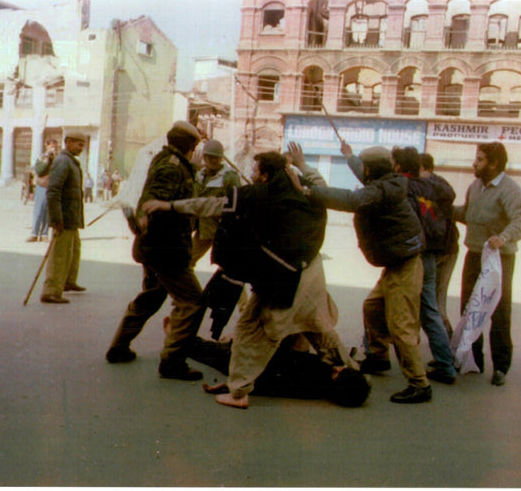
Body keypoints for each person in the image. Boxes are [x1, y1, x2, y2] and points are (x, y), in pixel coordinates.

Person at [143, 149, 359, 408]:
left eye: (256, 171)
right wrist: (303, 165)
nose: (252, 175)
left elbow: (211, 205)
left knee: (252, 329)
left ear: (265, 175)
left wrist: (169, 206)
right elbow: (322, 187)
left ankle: (239, 392)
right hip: (311, 273)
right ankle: (349, 368)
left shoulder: (258, 195)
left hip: (283, 278)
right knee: (316, 323)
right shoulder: (303, 191)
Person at [298, 144, 432, 404]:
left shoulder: (380, 191)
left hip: (405, 265)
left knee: (401, 327)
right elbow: (363, 174)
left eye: (365, 168)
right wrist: (349, 156)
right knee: (372, 308)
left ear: (372, 170)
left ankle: (419, 384)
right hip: (397, 263)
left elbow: (352, 199)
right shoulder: (385, 183)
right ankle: (379, 357)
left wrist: (309, 190)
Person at [105, 121, 207, 381]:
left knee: (151, 297)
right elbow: (154, 203)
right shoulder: (172, 168)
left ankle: (118, 347)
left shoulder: (170, 162)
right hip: (166, 249)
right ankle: (172, 362)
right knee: (194, 300)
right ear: (190, 146)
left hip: (155, 248)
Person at [453, 142, 521, 386]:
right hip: (474, 254)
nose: (474, 163)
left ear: (494, 164)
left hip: (499, 258)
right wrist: (443, 208)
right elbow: (467, 214)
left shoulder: (509, 189)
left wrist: (503, 237)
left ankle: (501, 367)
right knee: (469, 307)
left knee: (498, 311)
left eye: (479, 159)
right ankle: (472, 360)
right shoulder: (475, 186)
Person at [390, 146, 457, 384]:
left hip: (413, 255)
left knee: (399, 307)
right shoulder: (434, 186)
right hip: (431, 254)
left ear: (398, 166)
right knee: (430, 309)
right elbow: (449, 194)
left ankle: (440, 366)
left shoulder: (401, 186)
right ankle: (445, 362)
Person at [189, 334, 370, 408]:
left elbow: (273, 379)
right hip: (256, 365)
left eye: (341, 370)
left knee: (212, 352)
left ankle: (181, 338)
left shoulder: (315, 375)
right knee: (215, 352)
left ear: (337, 375)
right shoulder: (317, 387)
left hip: (253, 362)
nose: (338, 367)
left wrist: (235, 385)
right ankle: (185, 339)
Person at [40, 133, 87, 303]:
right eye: (78, 144)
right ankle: (51, 291)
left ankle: (68, 282)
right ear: (68, 143)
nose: (81, 148)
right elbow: (53, 192)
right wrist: (56, 219)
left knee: (74, 250)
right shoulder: (62, 161)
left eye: (83, 145)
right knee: (60, 255)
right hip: (64, 218)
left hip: (71, 217)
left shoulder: (71, 162)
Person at [420, 153, 460, 341]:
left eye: (418, 169)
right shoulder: (422, 185)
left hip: (445, 251)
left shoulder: (438, 186)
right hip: (437, 250)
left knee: (436, 300)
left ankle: (448, 346)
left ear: (428, 169)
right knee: (431, 300)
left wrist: (427, 181)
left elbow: (449, 195)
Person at [190, 139, 241, 266]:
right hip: (203, 227)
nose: (213, 161)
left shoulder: (229, 176)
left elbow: (238, 201)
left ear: (221, 159)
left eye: (216, 158)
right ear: (204, 157)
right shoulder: (199, 175)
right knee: (187, 260)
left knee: (229, 265)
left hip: (221, 228)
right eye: (210, 157)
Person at [27, 138, 58, 242]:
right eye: (51, 146)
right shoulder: (42, 157)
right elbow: (39, 170)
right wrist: (47, 159)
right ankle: (34, 233)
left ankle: (44, 234)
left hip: (52, 186)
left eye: (55, 146)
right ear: (47, 146)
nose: (53, 148)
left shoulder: (57, 158)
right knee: (39, 209)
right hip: (42, 185)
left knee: (47, 211)